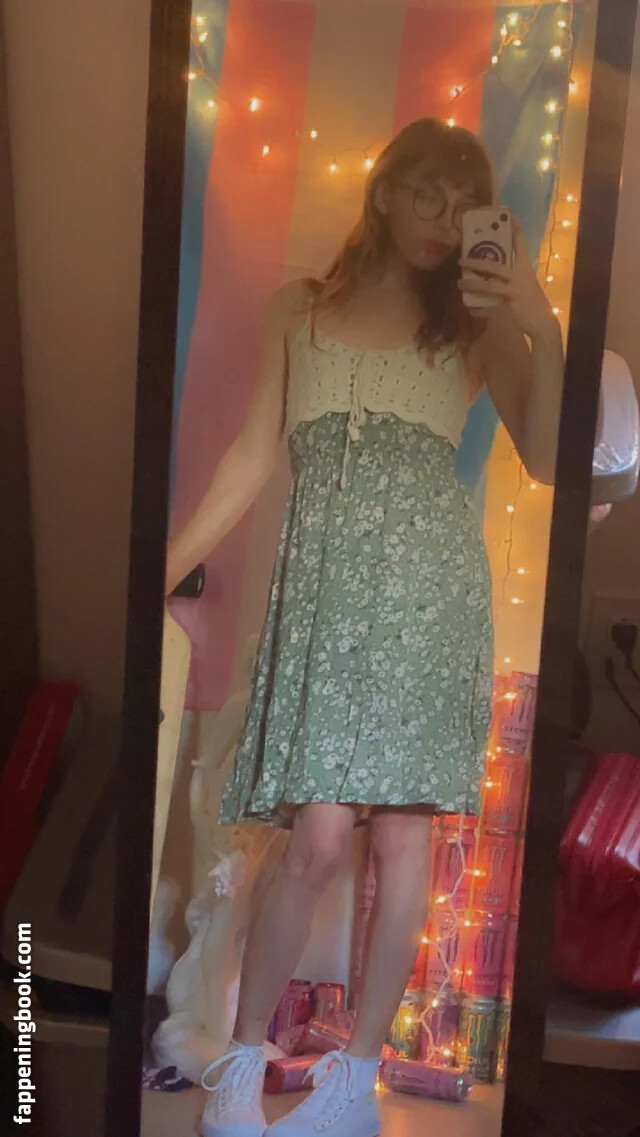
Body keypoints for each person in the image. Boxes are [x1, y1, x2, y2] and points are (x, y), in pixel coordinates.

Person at [165, 118, 564, 1137]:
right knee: (314, 840)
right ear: (384, 192)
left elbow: (550, 455)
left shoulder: (473, 326)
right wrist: (160, 568)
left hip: (430, 601)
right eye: (427, 193)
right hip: (328, 600)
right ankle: (242, 1063)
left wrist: (539, 322)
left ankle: (352, 1085)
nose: (443, 219)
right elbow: (252, 455)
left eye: (462, 205)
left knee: (401, 841)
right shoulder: (298, 309)